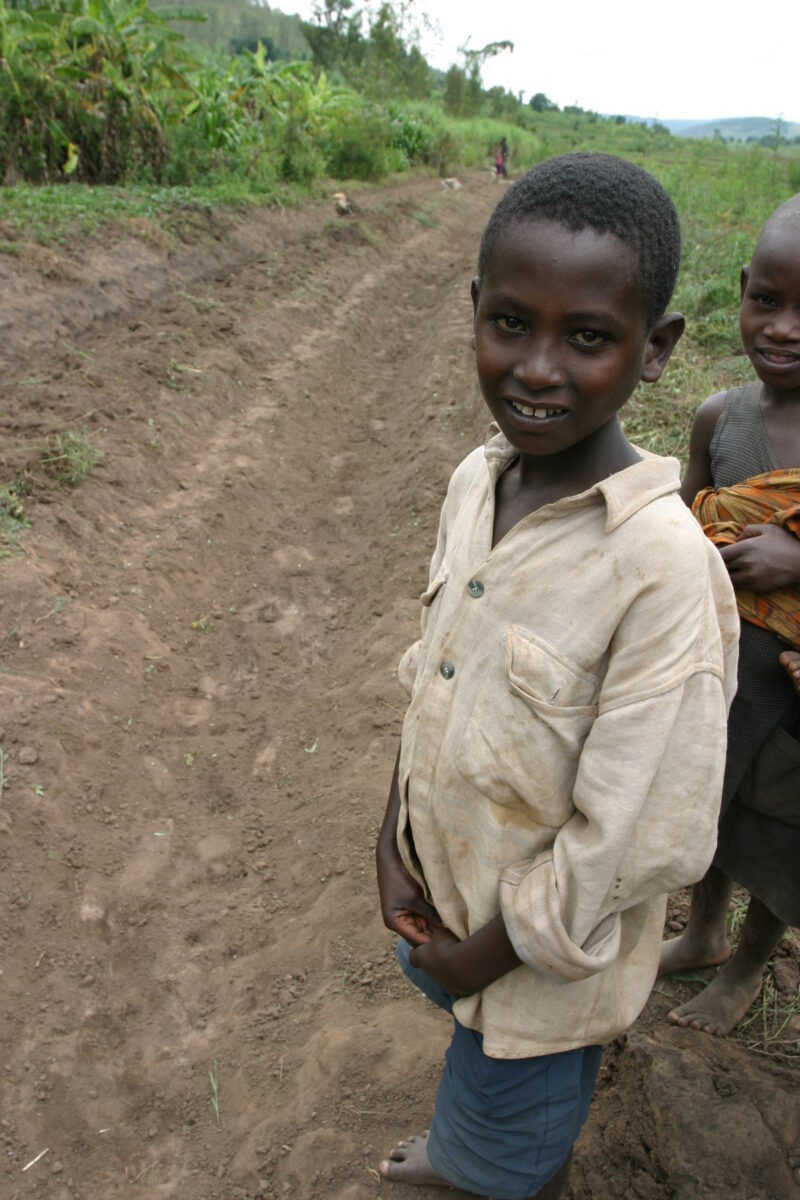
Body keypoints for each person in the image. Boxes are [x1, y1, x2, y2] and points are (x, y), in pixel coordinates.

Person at [376, 152, 739, 1200]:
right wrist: (387, 840)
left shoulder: (659, 571)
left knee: (510, 1126)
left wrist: (485, 955)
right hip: (443, 905)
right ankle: (465, 1143)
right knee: (472, 1065)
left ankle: (478, 1170)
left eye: (586, 338)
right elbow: (431, 674)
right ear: (472, 312)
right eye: (508, 324)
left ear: (655, 349)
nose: (537, 368)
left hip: (536, 970)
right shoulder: (474, 480)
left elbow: (636, 837)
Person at [659, 195, 800, 1052]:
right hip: (719, 669)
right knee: (705, 806)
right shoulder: (720, 417)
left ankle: (748, 965)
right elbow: (682, 528)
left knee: (783, 830)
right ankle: (703, 929)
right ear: (743, 290)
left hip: (791, 694)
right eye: (769, 299)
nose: (783, 328)